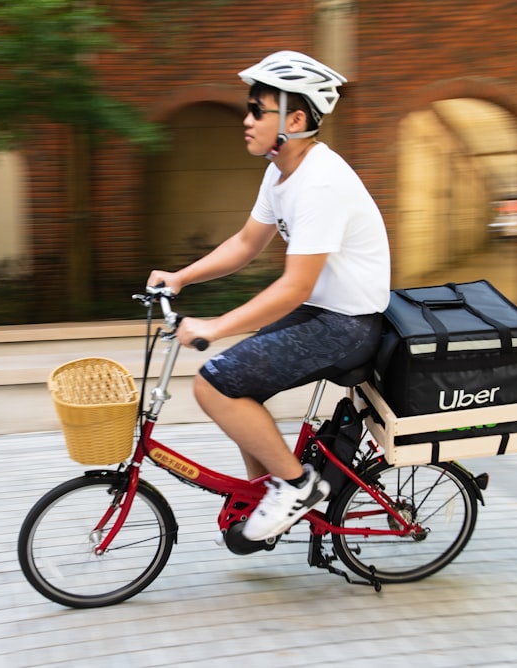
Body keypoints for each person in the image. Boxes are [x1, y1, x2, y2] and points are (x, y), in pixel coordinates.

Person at [147, 51, 391, 542]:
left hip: (347, 325)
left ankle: (297, 487)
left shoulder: (320, 182)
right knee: (235, 384)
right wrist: (180, 277)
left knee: (212, 384)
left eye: (258, 109)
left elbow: (294, 285)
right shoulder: (280, 171)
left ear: (295, 120)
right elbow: (245, 243)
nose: (246, 119)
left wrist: (214, 327)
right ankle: (271, 492)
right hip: (322, 312)